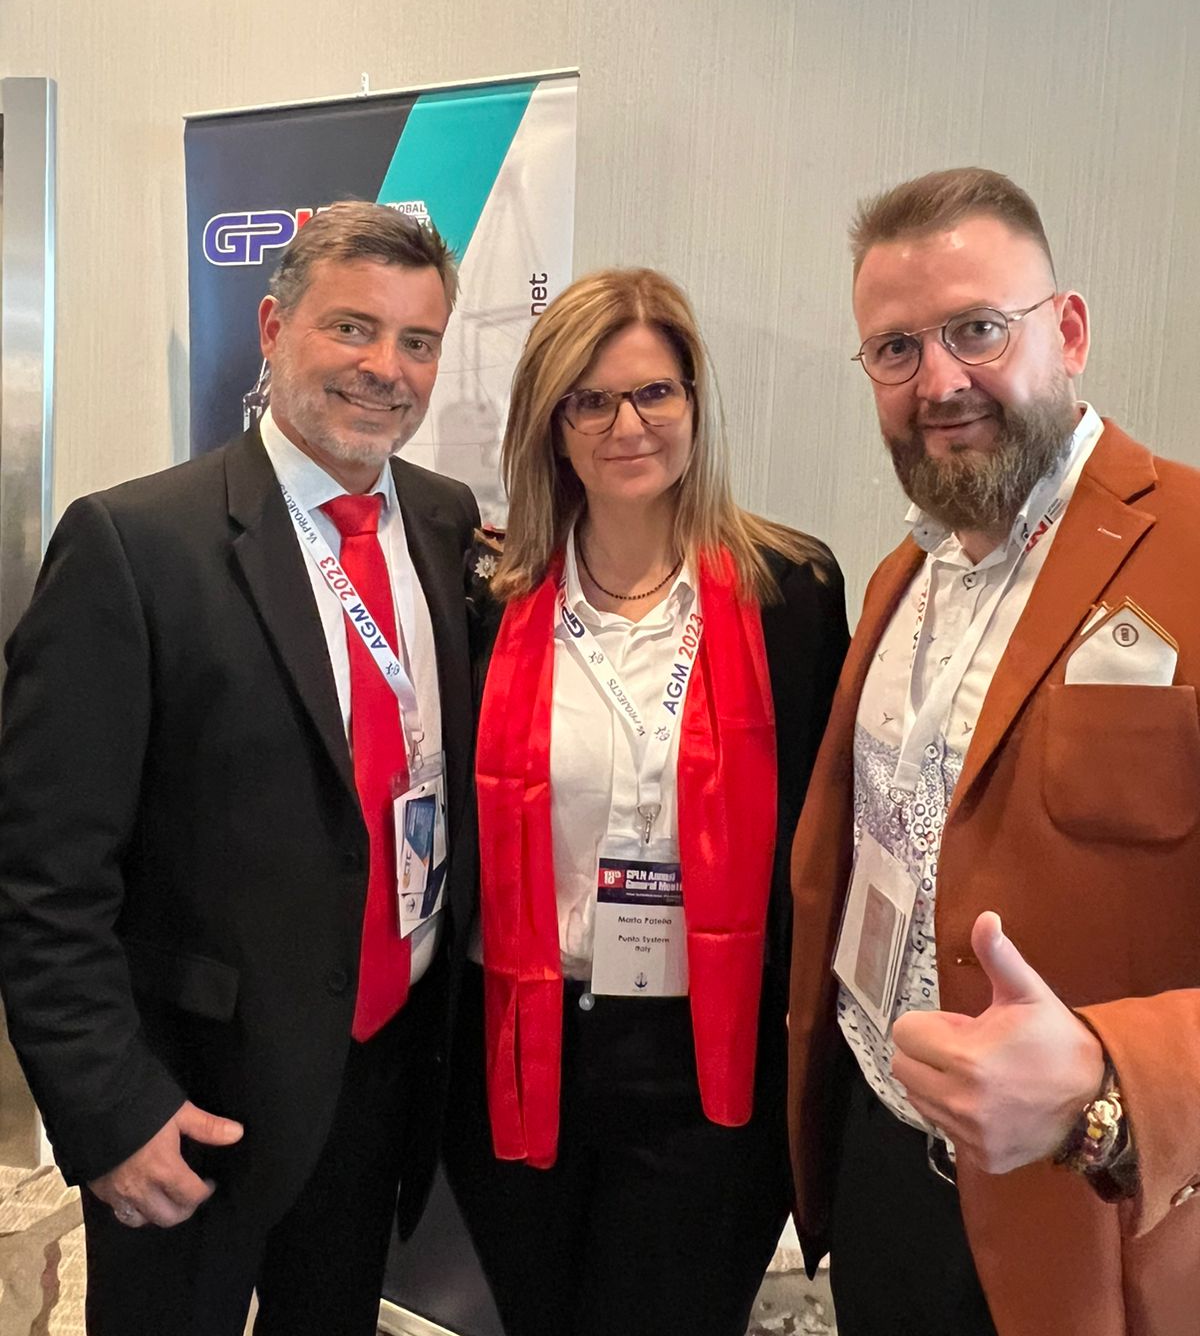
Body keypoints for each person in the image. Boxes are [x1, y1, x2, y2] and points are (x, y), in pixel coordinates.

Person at [0, 202, 480, 1335]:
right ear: (273, 328)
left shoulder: (445, 522)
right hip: (191, 1101)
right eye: (352, 327)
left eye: (417, 340)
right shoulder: (135, 545)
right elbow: (43, 872)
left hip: (379, 1076)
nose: (386, 368)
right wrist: (110, 1109)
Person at [786, 166, 1200, 1336]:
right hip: (883, 1163)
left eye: (977, 329)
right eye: (896, 349)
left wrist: (1110, 1076)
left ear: (1067, 330)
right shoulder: (900, 577)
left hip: (1097, 1213)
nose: (940, 382)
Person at [444, 267, 849, 1336]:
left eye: (654, 392)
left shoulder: (790, 593)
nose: (628, 425)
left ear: (694, 403)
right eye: (591, 400)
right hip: (520, 1049)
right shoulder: (488, 602)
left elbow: (825, 840)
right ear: (553, 425)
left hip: (709, 1059)